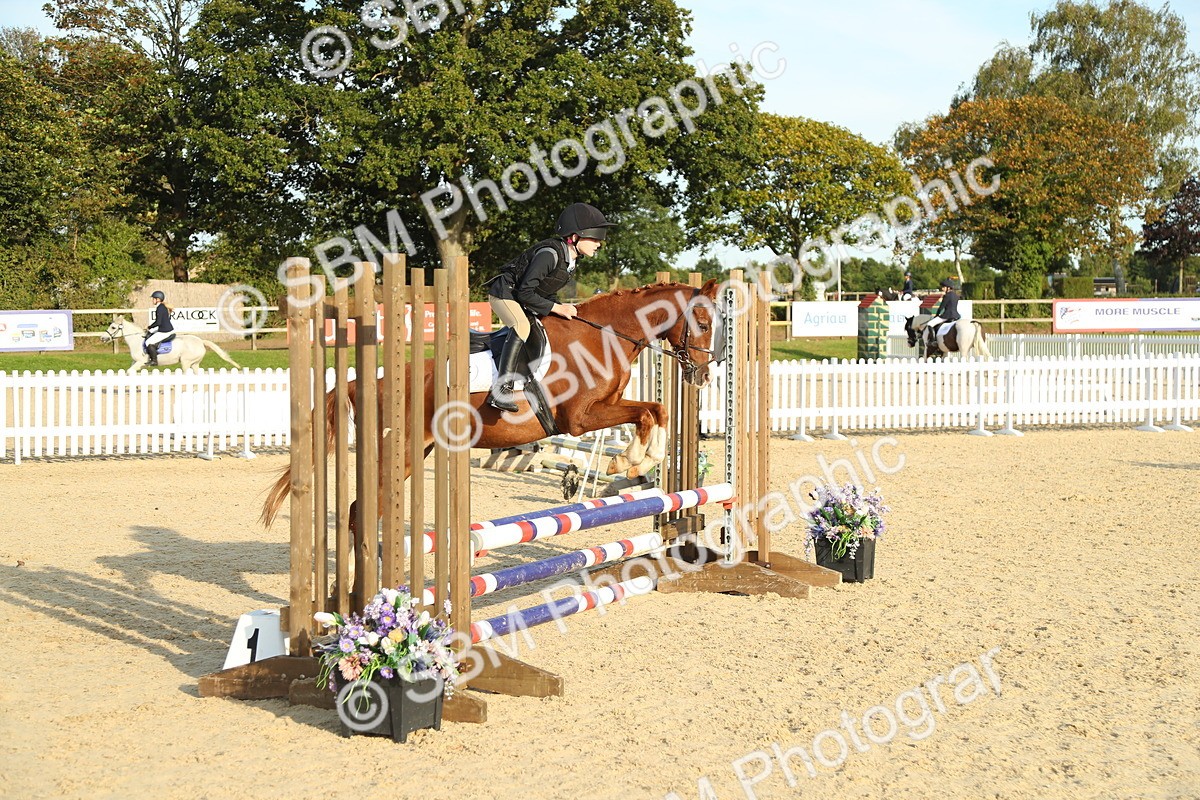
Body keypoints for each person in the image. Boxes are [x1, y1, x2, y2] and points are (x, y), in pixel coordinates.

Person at [485, 202, 616, 411]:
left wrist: (559, 307)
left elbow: (546, 290)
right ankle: (502, 390)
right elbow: (525, 292)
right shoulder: (549, 254)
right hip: (505, 295)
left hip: (522, 297)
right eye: (594, 238)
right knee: (522, 327)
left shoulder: (570, 260)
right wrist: (558, 308)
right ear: (575, 236)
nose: (599, 243)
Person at [925, 279, 960, 352]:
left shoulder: (946, 296)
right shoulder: (956, 296)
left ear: (948, 288)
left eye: (944, 287)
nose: (942, 288)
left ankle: (933, 341)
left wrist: (937, 315)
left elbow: (941, 307)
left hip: (947, 316)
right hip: (956, 316)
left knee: (930, 324)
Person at [144, 290, 175, 366]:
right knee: (150, 334)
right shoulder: (162, 307)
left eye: (153, 298)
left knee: (148, 342)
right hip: (164, 328)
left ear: (158, 299)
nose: (152, 300)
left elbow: (158, 322)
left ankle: (154, 361)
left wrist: (149, 327)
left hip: (165, 331)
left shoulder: (160, 308)